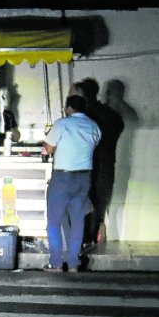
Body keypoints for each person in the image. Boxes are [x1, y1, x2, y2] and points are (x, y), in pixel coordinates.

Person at [42, 94, 102, 272]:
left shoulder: (62, 123)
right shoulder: (94, 126)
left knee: (53, 221)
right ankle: (74, 264)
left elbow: (49, 149)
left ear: (69, 108)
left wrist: (48, 141)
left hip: (62, 178)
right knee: (77, 221)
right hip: (84, 178)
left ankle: (56, 263)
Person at [70, 79, 124, 245]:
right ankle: (93, 240)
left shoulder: (83, 117)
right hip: (107, 166)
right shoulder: (113, 116)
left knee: (82, 205)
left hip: (85, 167)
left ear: (82, 95)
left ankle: (81, 242)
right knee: (99, 206)